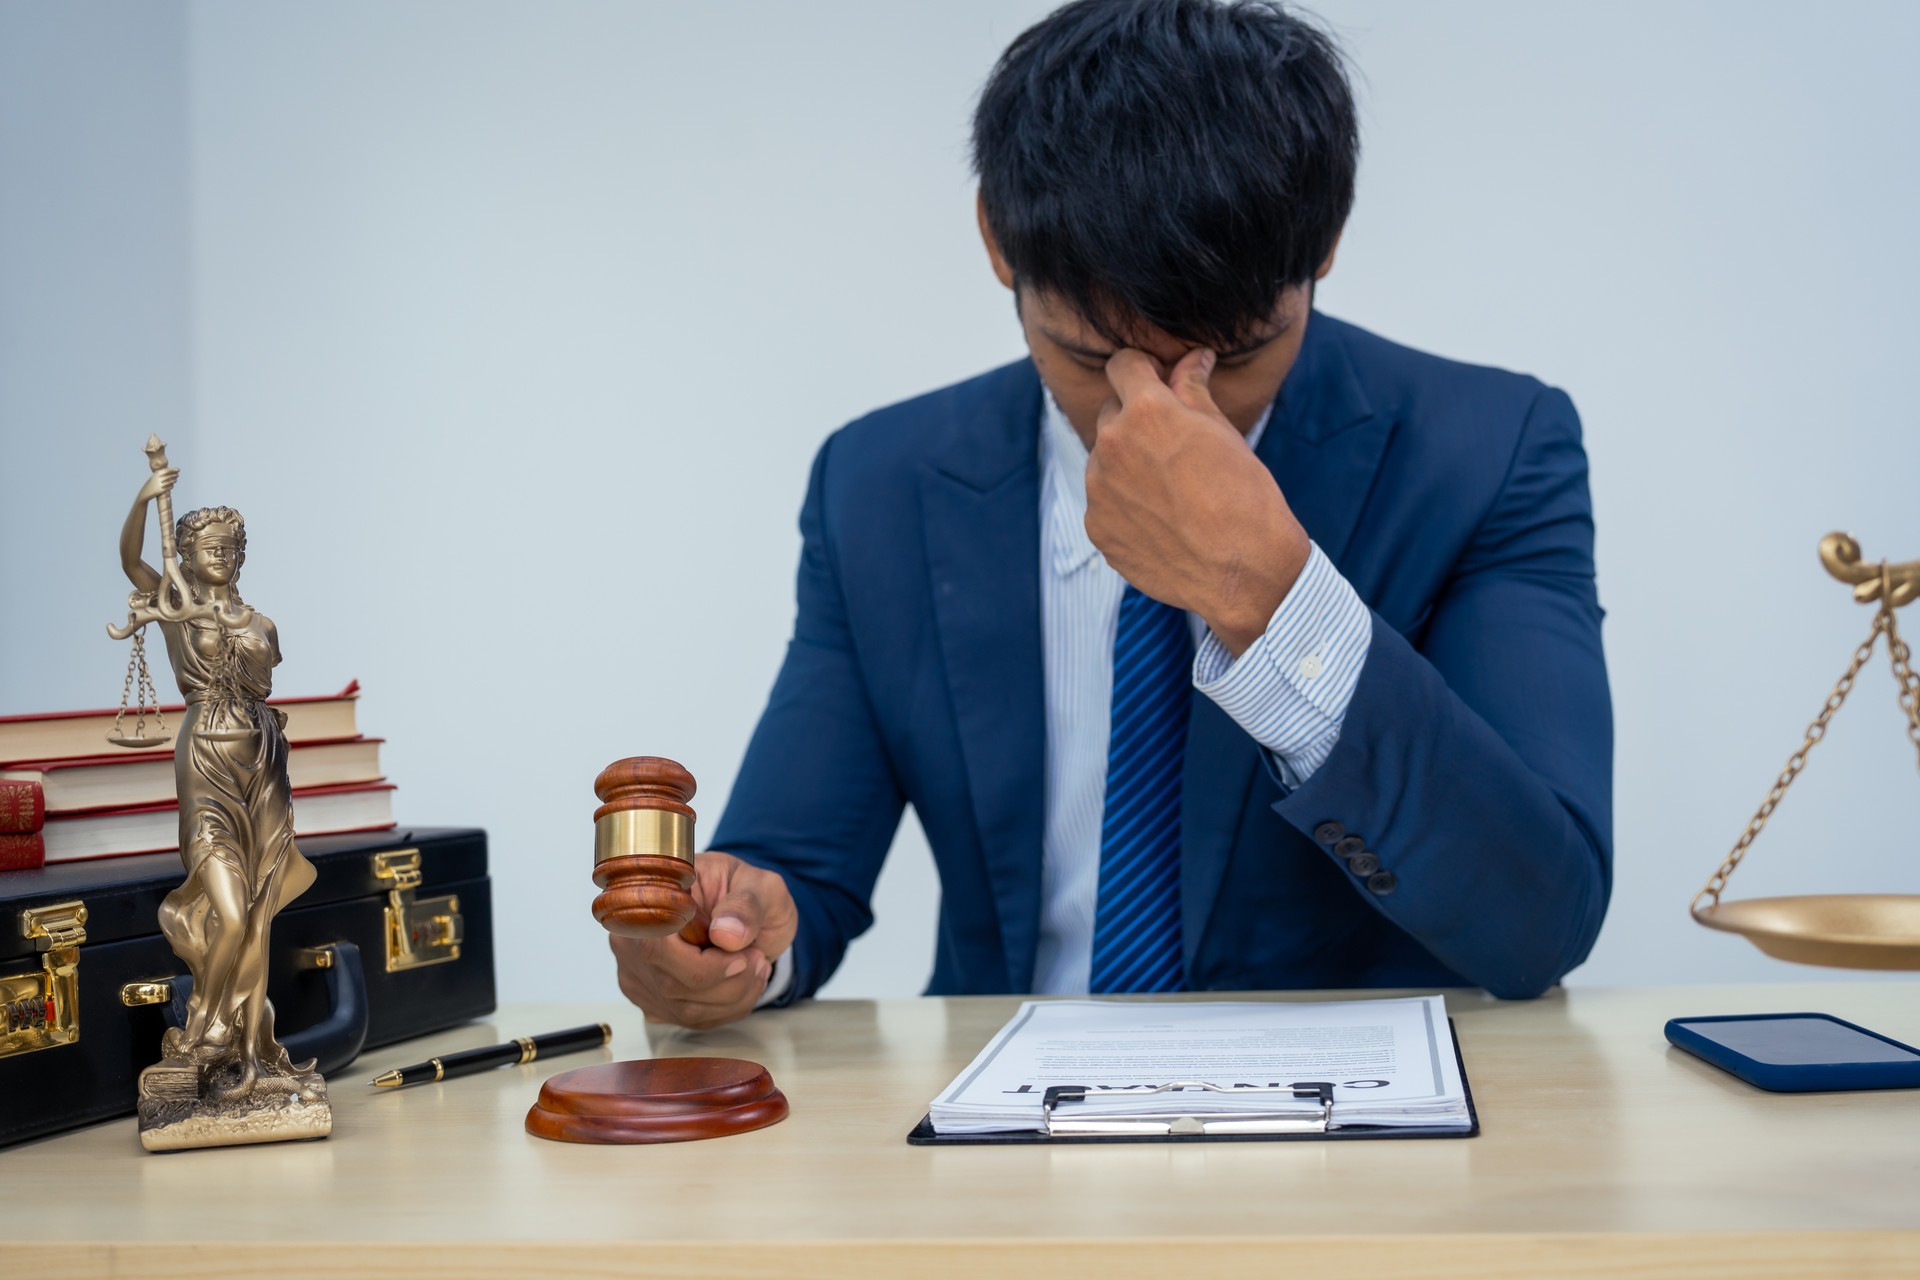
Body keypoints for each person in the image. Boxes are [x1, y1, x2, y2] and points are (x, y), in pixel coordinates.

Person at [612, 0, 1612, 1028]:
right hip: (1001, 1132)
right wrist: (734, 943)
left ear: (1328, 243)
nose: (1162, 415)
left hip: (1355, 1142)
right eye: (1095, 359)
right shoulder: (879, 481)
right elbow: (796, 876)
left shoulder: (1490, 450)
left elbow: (1540, 921)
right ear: (998, 240)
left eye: (1237, 359)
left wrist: (1269, 593)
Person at [119, 469, 318, 1100]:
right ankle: (204, 1029)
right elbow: (130, 561)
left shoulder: (261, 623)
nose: (223, 556)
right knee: (228, 912)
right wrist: (144, 500)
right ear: (190, 554)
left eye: (232, 547)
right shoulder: (176, 610)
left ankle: (248, 1043)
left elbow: (262, 684)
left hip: (263, 765)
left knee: (259, 911)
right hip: (205, 758)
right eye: (211, 547)